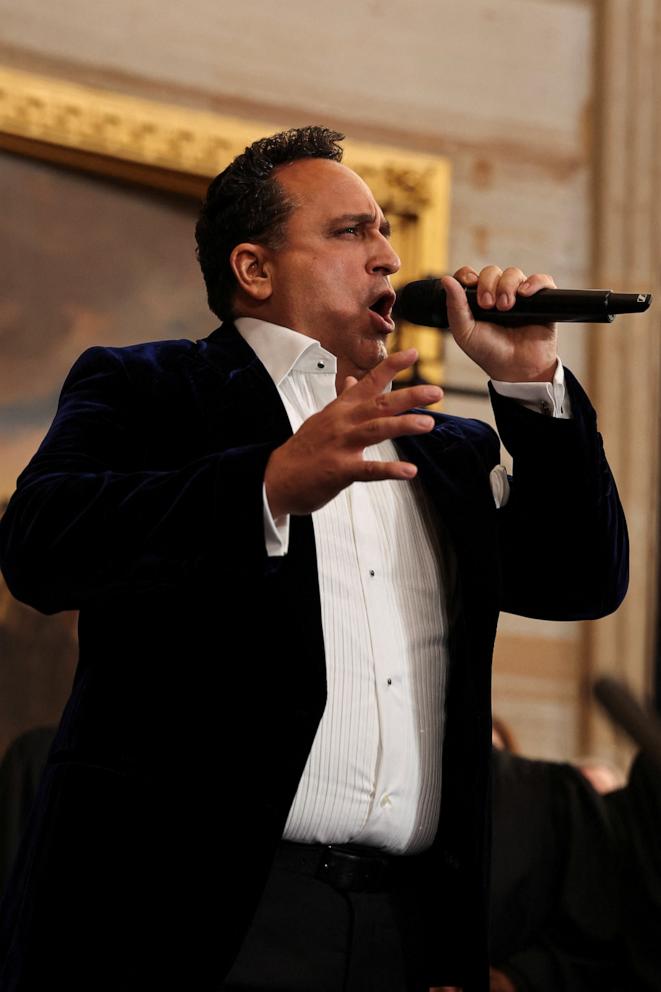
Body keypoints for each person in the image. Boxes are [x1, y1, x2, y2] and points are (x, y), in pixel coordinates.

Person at [0, 126, 628, 992]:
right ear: (253, 269)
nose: (387, 257)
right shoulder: (149, 387)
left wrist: (529, 383)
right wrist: (262, 485)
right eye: (350, 233)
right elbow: (41, 545)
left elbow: (579, 580)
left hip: (400, 930)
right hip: (193, 922)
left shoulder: (443, 447)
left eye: (384, 231)